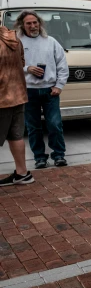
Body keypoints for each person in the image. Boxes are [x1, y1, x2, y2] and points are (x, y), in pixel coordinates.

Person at [16, 10, 69, 169]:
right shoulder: (17, 43)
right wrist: (27, 69)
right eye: (29, 23)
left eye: (35, 22)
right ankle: (40, 158)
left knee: (54, 124)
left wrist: (59, 86)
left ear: (39, 23)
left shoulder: (51, 41)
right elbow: (10, 66)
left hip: (50, 91)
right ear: (22, 25)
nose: (33, 26)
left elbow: (63, 65)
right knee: (33, 127)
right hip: (28, 91)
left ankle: (59, 155)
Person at [0, 26, 34, 186]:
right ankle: (22, 173)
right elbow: (21, 62)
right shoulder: (14, 38)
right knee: (16, 136)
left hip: (2, 98)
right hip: (18, 94)